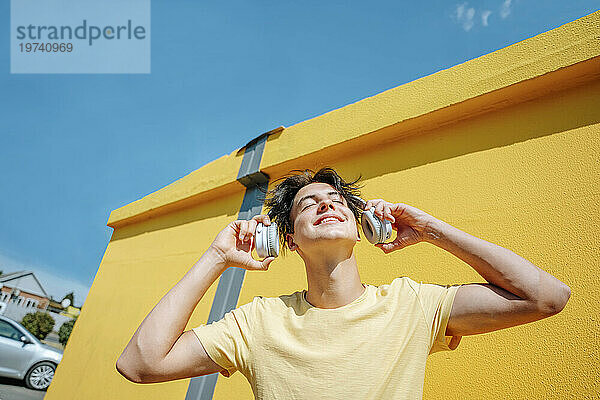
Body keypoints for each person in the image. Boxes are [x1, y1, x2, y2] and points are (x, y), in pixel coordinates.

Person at [116, 167, 571, 399]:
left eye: (337, 201)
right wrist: (215, 257)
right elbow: (140, 364)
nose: (325, 205)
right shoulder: (257, 322)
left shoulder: (412, 305)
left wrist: (434, 230)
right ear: (287, 240)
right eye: (307, 203)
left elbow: (547, 297)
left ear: (365, 228)